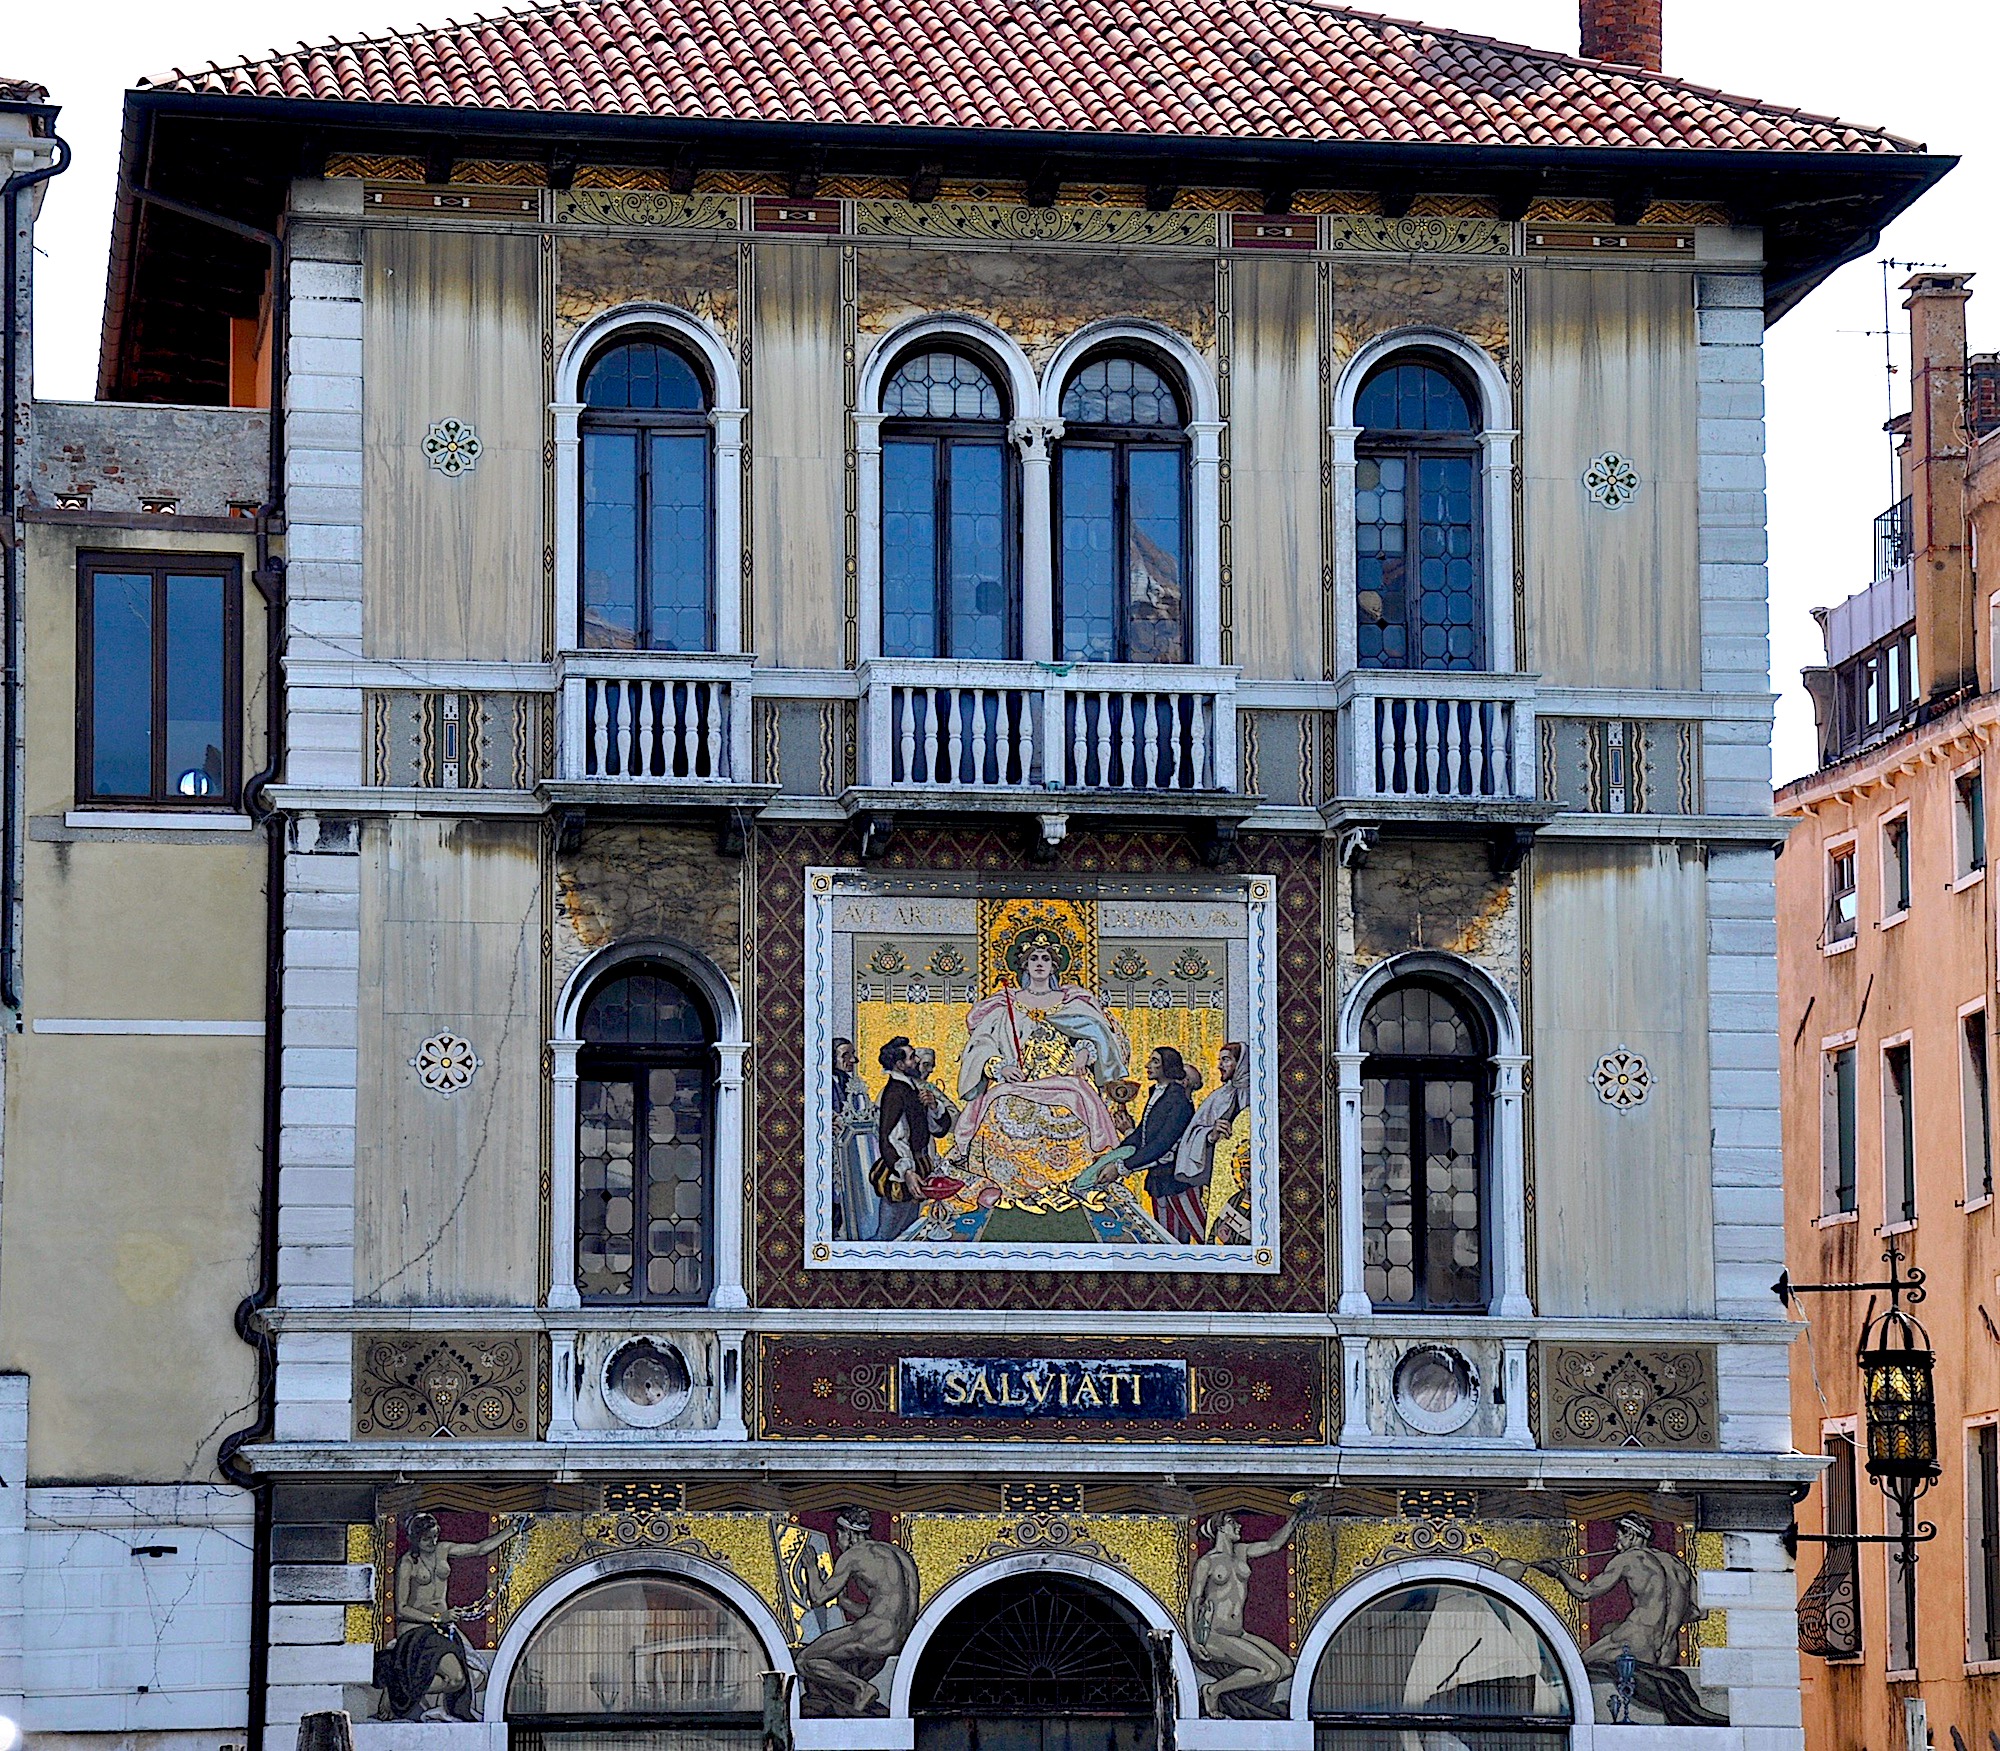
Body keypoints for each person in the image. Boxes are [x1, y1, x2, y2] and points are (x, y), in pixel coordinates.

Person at [947, 929, 1130, 1213]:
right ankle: (1015, 1188)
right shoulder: (1005, 1003)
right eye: (1034, 958)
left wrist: (1084, 1051)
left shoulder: (1072, 1002)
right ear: (1025, 965)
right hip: (1020, 1083)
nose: (1040, 963)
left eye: (1046, 958)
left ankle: (1068, 1185)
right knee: (1000, 1105)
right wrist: (1001, 1066)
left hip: (1064, 1082)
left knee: (1076, 1107)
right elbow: (982, 1043)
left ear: (1054, 965)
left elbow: (1098, 1034)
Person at [1533, 1515, 1726, 1727]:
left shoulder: (1629, 1558)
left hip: (1635, 1640)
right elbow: (1699, 1613)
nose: (1617, 1545)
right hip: (1667, 1649)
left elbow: (1585, 1593)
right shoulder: (1678, 1566)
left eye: (1619, 1538)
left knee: (1571, 1668)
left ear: (1631, 1535)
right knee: (1609, 1632)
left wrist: (1558, 1572)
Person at [373, 1513, 521, 1720]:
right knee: (456, 1678)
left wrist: (511, 1530)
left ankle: (408, 1687)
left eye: (435, 1536)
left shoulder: (443, 1549)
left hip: (443, 1625)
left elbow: (480, 1548)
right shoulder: (407, 1564)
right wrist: (437, 1618)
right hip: (417, 1629)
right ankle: (397, 1685)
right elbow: (402, 1608)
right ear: (415, 1539)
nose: (433, 1542)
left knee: (473, 1674)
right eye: (427, 1539)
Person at [796, 1508, 921, 1717]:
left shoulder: (854, 1555)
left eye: (838, 1536)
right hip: (899, 1638)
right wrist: (845, 1603)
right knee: (841, 1673)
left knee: (805, 1660)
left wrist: (811, 1568)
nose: (837, 1543)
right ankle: (853, 1696)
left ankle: (862, 1689)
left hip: (873, 1635)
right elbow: (886, 1611)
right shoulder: (900, 1555)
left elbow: (818, 1598)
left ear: (847, 1533)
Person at [1186, 1511, 1299, 1716]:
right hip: (1214, 1634)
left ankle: (1234, 1694)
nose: (1238, 1526)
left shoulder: (1241, 1551)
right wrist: (1193, 1642)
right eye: (1231, 1522)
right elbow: (1193, 1601)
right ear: (1220, 1528)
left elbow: (1273, 1545)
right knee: (1269, 1670)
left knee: (1286, 1668)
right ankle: (1212, 1691)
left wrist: (1295, 1519)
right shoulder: (1207, 1562)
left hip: (1239, 1633)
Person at [1099, 1047, 1197, 1238]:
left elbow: (1160, 1145)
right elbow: (1142, 1135)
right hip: (1159, 1180)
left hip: (1174, 1184)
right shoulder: (1159, 1093)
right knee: (1164, 1232)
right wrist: (1112, 1157)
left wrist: (1121, 1167)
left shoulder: (1178, 1101)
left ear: (1167, 1066)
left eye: (1154, 1061)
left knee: (1174, 1238)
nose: (1147, 1065)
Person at [1170, 1042, 1249, 1242]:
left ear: (1240, 1063)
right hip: (1220, 1176)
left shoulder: (1262, 1094)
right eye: (1219, 1060)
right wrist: (1210, 1135)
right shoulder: (1219, 1097)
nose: (1220, 1066)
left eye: (1226, 1060)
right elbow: (1194, 1132)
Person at [872, 1036, 936, 1240]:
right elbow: (890, 1137)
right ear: (900, 1065)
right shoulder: (894, 1093)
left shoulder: (911, 1087)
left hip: (916, 1167)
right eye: (911, 1058)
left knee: (910, 1230)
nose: (916, 1060)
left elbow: (937, 1127)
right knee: (888, 1236)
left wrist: (933, 1106)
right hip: (900, 1174)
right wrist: (906, 1171)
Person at [832, 1036, 883, 1241]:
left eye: (852, 1055)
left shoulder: (851, 1083)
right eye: (846, 1056)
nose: (853, 1061)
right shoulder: (823, 1083)